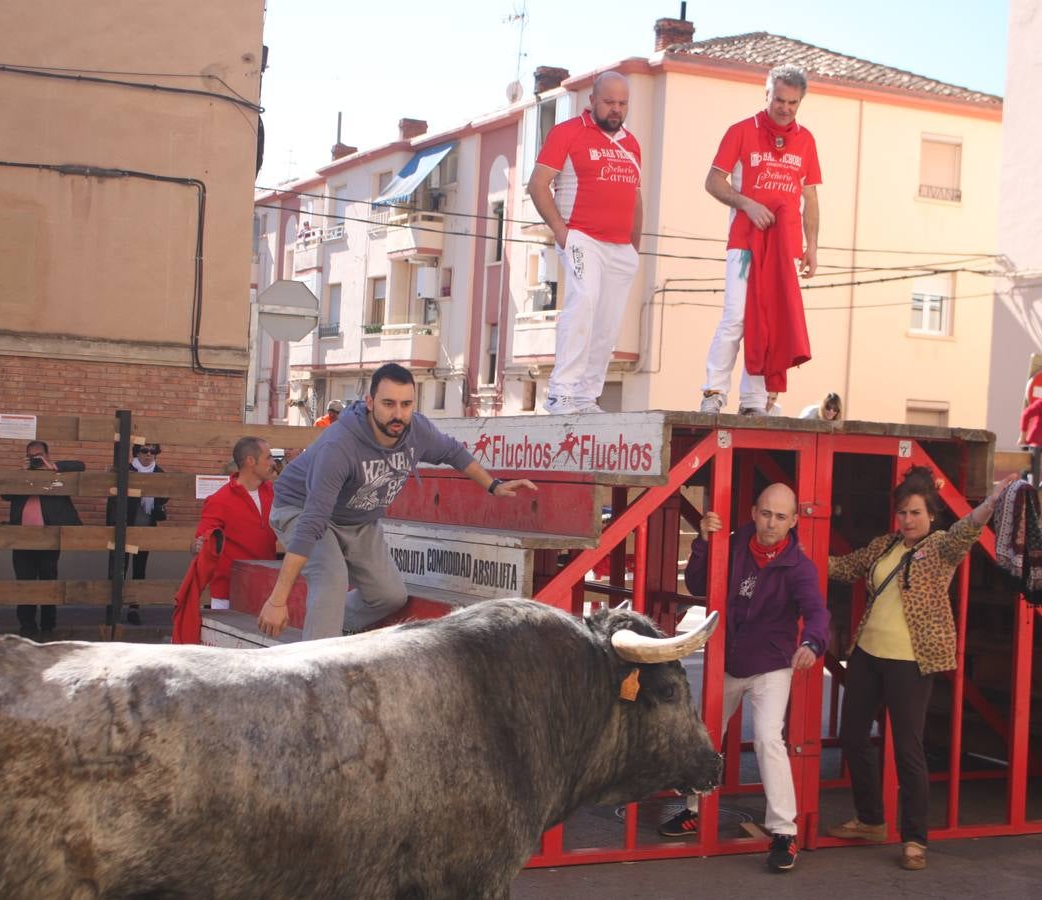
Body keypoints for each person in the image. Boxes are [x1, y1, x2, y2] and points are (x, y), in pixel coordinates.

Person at [258, 363, 537, 640]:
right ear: (370, 402)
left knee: (388, 596)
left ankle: (331, 625)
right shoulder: (340, 446)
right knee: (331, 576)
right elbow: (312, 523)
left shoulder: (417, 431)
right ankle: (317, 667)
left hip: (357, 519)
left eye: (406, 404)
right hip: (301, 508)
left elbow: (453, 452)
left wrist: (494, 485)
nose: (398, 414)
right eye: (388, 403)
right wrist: (277, 601)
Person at [826, 467, 1007, 871]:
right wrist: (798, 556)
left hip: (911, 661)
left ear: (931, 515)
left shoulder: (941, 547)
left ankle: (914, 838)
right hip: (867, 654)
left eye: (915, 513)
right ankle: (871, 819)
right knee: (853, 736)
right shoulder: (884, 545)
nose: (908, 520)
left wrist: (991, 503)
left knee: (908, 749)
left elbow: (968, 529)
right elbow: (843, 568)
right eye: (903, 513)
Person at [658, 483, 829, 874]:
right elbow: (699, 585)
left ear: (794, 521)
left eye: (781, 517)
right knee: (704, 733)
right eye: (766, 513)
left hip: (772, 662)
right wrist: (703, 540)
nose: (771, 523)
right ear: (754, 511)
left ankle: (784, 833)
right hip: (728, 657)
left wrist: (813, 643)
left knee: (769, 738)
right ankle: (694, 811)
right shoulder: (734, 543)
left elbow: (817, 611)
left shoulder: (798, 566)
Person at [699, 64, 821, 417]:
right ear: (766, 95)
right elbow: (713, 181)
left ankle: (754, 401)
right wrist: (747, 204)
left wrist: (811, 247)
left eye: (793, 103)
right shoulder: (741, 131)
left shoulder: (807, 140)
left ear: (800, 103)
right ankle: (713, 391)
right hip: (745, 243)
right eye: (779, 100)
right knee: (737, 317)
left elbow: (810, 198)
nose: (785, 108)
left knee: (769, 322)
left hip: (784, 248)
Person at [527, 70, 642, 415]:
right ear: (592, 101)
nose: (616, 109)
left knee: (608, 322)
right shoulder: (567, 133)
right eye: (609, 102)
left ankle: (584, 396)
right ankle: (561, 392)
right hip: (582, 238)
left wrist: (634, 246)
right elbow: (537, 184)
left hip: (621, 247)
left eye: (622, 103)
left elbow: (636, 199)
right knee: (584, 302)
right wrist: (562, 232)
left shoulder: (632, 143)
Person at [2, 441, 86, 640]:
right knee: (25, 583)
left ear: (47, 456)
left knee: (49, 582)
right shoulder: (22, 478)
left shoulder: (57, 477)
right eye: (32, 457)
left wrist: (53, 468)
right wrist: (22, 474)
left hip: (49, 539)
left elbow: (80, 465)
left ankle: (48, 626)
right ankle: (27, 626)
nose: (36, 460)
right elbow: (4, 493)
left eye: (39, 456)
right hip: (22, 539)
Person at [191, 436, 280, 611]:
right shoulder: (219, 501)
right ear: (251, 461)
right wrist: (198, 546)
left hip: (266, 591)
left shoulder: (275, 494)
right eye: (268, 457)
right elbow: (198, 546)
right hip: (228, 596)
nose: (273, 463)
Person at [106, 442, 168, 624]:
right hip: (125, 528)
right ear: (136, 452)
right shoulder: (127, 469)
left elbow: (165, 495)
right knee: (119, 568)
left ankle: (134, 608)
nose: (149, 455)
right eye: (144, 451)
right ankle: (114, 608)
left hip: (145, 528)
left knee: (139, 569)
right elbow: (112, 496)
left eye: (153, 452)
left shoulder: (159, 473)